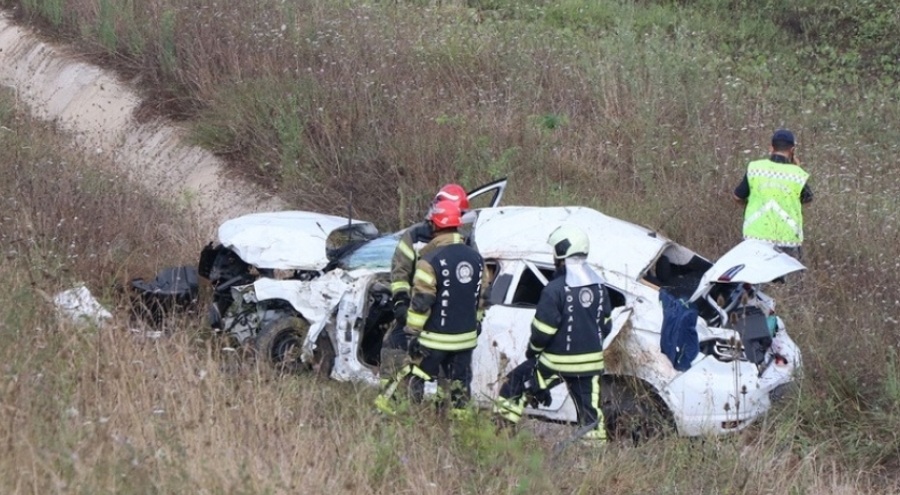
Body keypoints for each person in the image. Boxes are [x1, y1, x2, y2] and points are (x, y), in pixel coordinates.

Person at [493, 225, 611, 442]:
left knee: (515, 384)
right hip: (591, 365)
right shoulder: (600, 286)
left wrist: (533, 352)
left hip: (555, 362)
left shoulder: (554, 289)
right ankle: (595, 459)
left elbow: (543, 331)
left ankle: (502, 437)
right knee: (591, 414)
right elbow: (606, 325)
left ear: (561, 252)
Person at [375, 200, 487, 417]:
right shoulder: (477, 259)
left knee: (406, 377)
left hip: (434, 340)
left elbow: (421, 303)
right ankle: (459, 430)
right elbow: (482, 298)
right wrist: (477, 322)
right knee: (459, 390)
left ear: (435, 226)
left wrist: (412, 336)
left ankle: (393, 416)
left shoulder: (430, 260)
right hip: (465, 341)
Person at [380, 184, 471, 378]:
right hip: (417, 308)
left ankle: (437, 402)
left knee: (452, 368)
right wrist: (401, 303)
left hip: (447, 313)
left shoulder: (466, 240)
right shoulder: (415, 236)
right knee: (394, 348)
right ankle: (397, 398)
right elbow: (400, 272)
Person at [733, 129, 813, 260]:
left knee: (755, 277)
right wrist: (796, 168)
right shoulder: (798, 174)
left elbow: (737, 196)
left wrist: (750, 205)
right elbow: (807, 199)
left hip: (755, 236)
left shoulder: (755, 168)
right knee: (789, 278)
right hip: (787, 239)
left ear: (771, 148)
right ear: (792, 150)